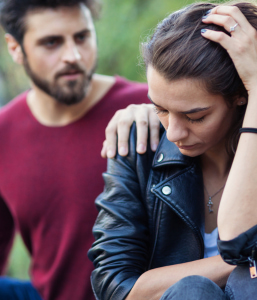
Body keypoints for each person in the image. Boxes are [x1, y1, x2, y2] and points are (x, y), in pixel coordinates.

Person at [88, 1, 257, 299]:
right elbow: (116, 289)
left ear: (241, 96)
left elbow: (241, 237)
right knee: (195, 288)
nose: (173, 132)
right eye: (160, 108)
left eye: (195, 116)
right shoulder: (140, 143)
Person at [0, 0, 160, 299]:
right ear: (15, 48)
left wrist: (164, 113)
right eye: (51, 43)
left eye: (82, 37)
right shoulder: (4, 133)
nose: (73, 56)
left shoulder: (149, 108)